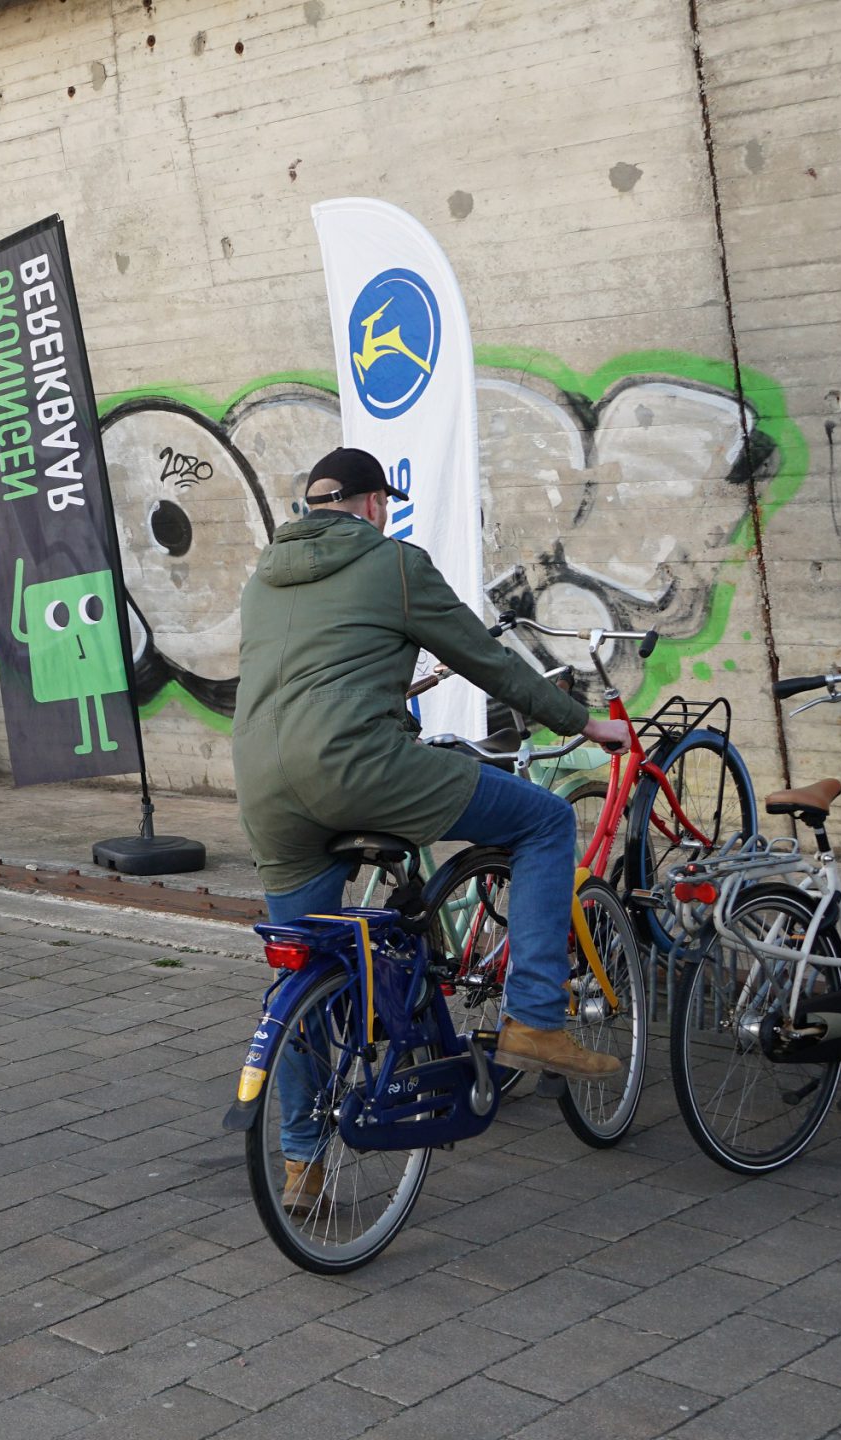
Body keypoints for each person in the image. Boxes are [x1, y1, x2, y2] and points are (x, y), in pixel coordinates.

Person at [235, 447, 632, 1205]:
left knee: (303, 962)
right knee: (546, 822)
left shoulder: (263, 577)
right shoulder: (394, 563)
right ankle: (534, 1021)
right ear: (373, 503)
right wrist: (581, 722)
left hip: (265, 789)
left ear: (311, 505)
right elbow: (489, 661)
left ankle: (301, 1164)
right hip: (360, 769)